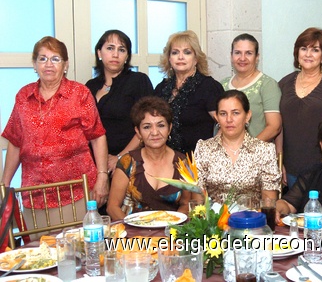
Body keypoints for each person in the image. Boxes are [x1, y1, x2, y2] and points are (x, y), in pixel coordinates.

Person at [1, 36, 109, 230]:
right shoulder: (23, 96)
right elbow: (16, 141)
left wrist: (102, 176)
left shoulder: (80, 94)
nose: (48, 64)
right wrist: (4, 184)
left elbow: (97, 135)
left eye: (55, 59)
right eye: (42, 59)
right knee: (41, 251)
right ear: (34, 64)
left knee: (77, 251)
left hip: (75, 190)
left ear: (65, 64)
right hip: (35, 194)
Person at [278, 27, 322, 188]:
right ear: (297, 53)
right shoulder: (283, 84)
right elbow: (278, 127)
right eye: (304, 48)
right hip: (290, 169)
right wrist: (278, 160)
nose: (308, 54)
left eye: (315, 50)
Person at [106, 96, 190, 220]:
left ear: (169, 128)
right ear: (138, 132)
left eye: (161, 125)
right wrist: (132, 233)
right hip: (131, 234)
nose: (155, 132)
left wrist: (173, 228)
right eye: (147, 127)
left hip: (170, 234)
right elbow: (112, 207)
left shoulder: (182, 163)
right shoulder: (127, 162)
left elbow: (186, 204)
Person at [193, 90, 281, 208]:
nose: (229, 119)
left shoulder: (264, 150)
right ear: (217, 118)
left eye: (235, 113)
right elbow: (198, 201)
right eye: (223, 114)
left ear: (247, 116)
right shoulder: (204, 148)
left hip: (251, 223)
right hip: (213, 223)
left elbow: (268, 203)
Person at [86, 30, 154, 175]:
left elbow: (148, 124)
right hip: (95, 164)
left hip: (131, 161)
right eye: (110, 48)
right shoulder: (90, 86)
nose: (115, 54)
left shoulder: (138, 81)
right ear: (99, 53)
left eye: (121, 49)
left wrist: (120, 157)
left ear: (127, 56)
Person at [154, 30, 224, 154]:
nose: (180, 57)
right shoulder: (161, 88)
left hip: (198, 161)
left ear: (196, 58)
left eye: (187, 52)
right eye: (175, 52)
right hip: (164, 159)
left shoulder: (208, 86)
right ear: (169, 58)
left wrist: (210, 152)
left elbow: (225, 123)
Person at [220, 33, 281, 142]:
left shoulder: (267, 85)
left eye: (249, 53)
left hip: (256, 155)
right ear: (231, 56)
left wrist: (247, 150)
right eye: (238, 53)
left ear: (257, 57)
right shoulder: (222, 85)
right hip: (224, 155)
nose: (242, 58)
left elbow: (274, 127)